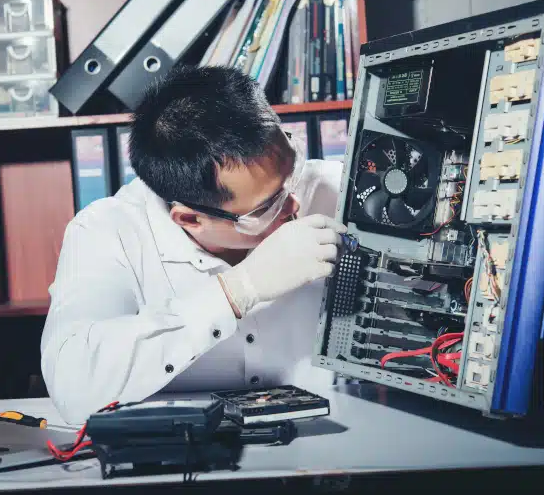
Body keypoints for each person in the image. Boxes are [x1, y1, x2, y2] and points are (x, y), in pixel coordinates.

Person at [41, 65, 348, 424]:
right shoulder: (107, 232)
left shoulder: (339, 188)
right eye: (267, 207)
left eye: (291, 174)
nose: (294, 204)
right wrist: (237, 290)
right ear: (190, 219)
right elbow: (73, 385)